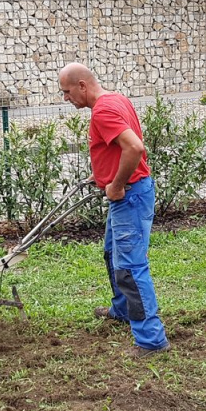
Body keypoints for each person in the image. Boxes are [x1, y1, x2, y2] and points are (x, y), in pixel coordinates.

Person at [58, 63, 170, 358]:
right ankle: (122, 310)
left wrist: (117, 184)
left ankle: (150, 340)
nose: (66, 99)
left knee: (130, 268)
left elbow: (134, 147)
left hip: (129, 195)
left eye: (67, 92)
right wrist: (103, 175)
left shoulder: (103, 110)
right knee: (112, 253)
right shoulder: (116, 99)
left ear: (82, 85)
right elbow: (117, 149)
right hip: (133, 193)